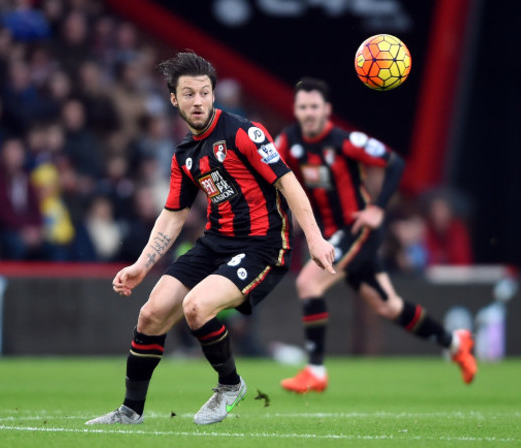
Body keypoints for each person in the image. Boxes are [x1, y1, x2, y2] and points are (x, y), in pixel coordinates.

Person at [85, 53, 335, 426]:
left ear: (214, 95)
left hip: (263, 244)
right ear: (174, 99)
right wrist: (141, 265)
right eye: (189, 94)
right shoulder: (185, 154)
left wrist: (315, 239)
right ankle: (129, 412)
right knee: (151, 315)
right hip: (215, 242)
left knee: (197, 307)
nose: (198, 101)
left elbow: (288, 182)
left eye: (204, 92)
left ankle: (230, 386)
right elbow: (173, 215)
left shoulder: (243, 132)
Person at [275, 78, 477, 393]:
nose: (309, 113)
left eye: (315, 106)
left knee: (308, 283)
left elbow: (394, 162)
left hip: (358, 230)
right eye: (303, 107)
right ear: (296, 110)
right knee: (389, 307)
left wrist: (378, 208)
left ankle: (315, 370)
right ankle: (455, 343)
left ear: (327, 110)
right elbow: (269, 171)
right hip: (333, 235)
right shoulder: (289, 141)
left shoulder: (345, 141)